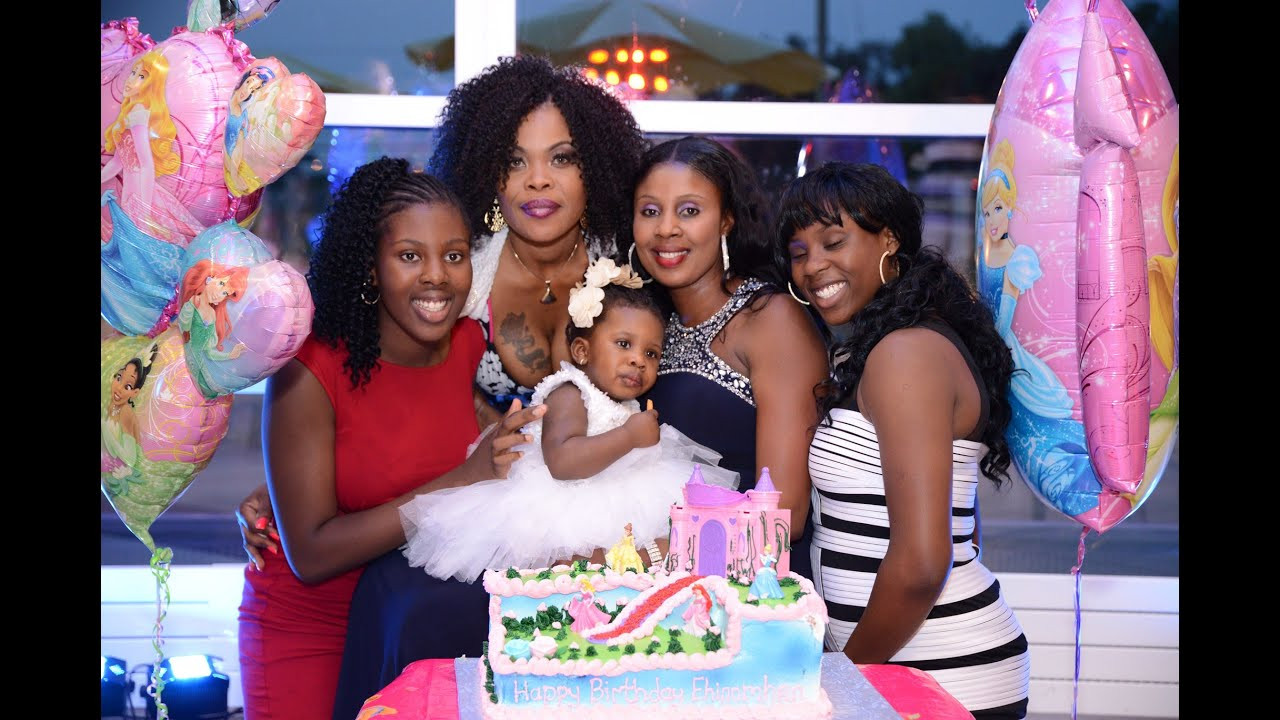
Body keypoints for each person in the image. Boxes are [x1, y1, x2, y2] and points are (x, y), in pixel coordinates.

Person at [235, 157, 539, 720]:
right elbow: (312, 555)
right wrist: (458, 482)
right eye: (409, 256)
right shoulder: (308, 367)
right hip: (310, 628)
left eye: (453, 255)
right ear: (371, 268)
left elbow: (408, 446)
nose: (436, 276)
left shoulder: (469, 344)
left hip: (412, 619)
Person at [778, 161, 1030, 719]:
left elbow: (921, 562)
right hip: (898, 667)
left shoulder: (904, 353)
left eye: (833, 241)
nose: (813, 265)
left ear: (888, 240)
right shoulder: (885, 346)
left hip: (938, 675)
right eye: (799, 252)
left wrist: (839, 682)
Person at [397, 263, 736, 583]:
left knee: (667, 531)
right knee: (567, 561)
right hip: (562, 497)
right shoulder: (570, 393)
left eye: (652, 354)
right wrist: (630, 435)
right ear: (582, 351)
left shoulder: (623, 403)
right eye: (623, 344)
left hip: (618, 491)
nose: (638, 360)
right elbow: (563, 462)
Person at [619, 136, 827, 580]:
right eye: (650, 211)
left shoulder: (771, 318)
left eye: (690, 211)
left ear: (727, 220)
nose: (666, 229)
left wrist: (630, 558)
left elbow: (784, 513)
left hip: (750, 588)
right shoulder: (644, 323)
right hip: (654, 586)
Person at [977, 139, 1098, 517]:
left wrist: (984, 348)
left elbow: (1003, 318)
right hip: (989, 344)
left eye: (998, 209)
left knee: (1037, 416)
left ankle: (1084, 466)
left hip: (1002, 345)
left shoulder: (1017, 259)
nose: (993, 219)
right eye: (987, 212)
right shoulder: (987, 251)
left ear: (1011, 210)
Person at [101, 49, 205, 245]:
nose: (131, 80)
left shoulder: (139, 114)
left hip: (140, 190)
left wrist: (144, 206)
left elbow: (146, 163)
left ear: (151, 84)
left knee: (142, 240)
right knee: (134, 242)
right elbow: (117, 162)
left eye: (141, 76)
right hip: (132, 191)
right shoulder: (130, 114)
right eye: (133, 73)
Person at [176, 259, 249, 399]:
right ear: (209, 278)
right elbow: (183, 326)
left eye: (225, 293)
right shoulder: (193, 303)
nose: (219, 294)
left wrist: (230, 355)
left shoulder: (212, 315)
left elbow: (209, 352)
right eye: (221, 284)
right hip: (183, 359)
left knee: (208, 393)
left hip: (199, 367)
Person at [101, 344, 160, 497]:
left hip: (127, 472)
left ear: (135, 392)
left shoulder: (126, 413)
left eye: (127, 386)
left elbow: (130, 458)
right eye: (118, 378)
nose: (119, 388)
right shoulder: (113, 406)